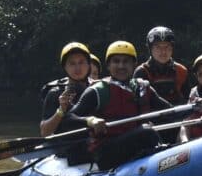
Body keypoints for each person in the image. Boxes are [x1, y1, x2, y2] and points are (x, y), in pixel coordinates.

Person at [63, 40, 173, 168]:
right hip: (106, 152)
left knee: (170, 128)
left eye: (126, 61)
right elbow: (68, 119)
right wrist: (90, 120)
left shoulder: (142, 87)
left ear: (134, 65)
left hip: (135, 142)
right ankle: (163, 165)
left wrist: (197, 106)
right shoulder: (98, 90)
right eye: (116, 61)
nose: (121, 66)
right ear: (108, 66)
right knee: (147, 132)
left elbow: (169, 111)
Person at [39, 42, 94, 136]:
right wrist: (61, 110)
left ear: (89, 65)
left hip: (93, 143)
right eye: (72, 63)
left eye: (81, 62)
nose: (77, 68)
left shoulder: (96, 89)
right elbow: (45, 132)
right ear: (65, 67)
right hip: (64, 144)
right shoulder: (55, 93)